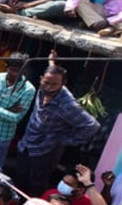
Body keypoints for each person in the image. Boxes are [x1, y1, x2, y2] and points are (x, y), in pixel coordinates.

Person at [12, 63, 101, 196]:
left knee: (35, 185)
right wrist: (52, 62)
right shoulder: (42, 90)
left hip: (46, 151)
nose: (49, 87)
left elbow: (92, 126)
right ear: (41, 78)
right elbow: (52, 74)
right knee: (19, 178)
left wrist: (65, 140)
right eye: (46, 82)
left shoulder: (67, 105)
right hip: (27, 145)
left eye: (54, 84)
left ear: (63, 84)